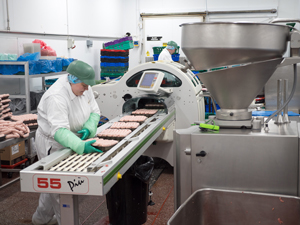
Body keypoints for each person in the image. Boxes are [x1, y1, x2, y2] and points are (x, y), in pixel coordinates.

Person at [32, 60, 101, 225]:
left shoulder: (84, 87)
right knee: (61, 189)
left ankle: (40, 219)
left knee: (52, 183)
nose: (86, 90)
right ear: (73, 79)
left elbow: (95, 111)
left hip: (75, 137)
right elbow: (59, 131)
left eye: (88, 86)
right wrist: (80, 145)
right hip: (53, 143)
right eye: (84, 86)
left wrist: (89, 127)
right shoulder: (56, 96)